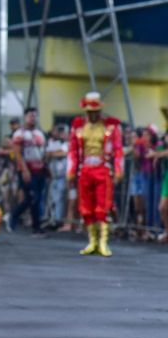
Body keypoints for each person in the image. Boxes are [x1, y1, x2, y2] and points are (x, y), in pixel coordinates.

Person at [67, 92, 123, 256]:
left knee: (102, 206)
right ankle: (92, 241)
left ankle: (103, 242)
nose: (93, 114)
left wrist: (118, 169)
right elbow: (73, 150)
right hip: (85, 170)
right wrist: (71, 170)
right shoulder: (78, 127)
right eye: (90, 111)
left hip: (102, 169)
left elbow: (118, 150)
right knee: (86, 207)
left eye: (96, 111)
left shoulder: (110, 127)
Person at [10, 107, 47, 235]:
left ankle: (19, 218)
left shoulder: (39, 133)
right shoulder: (19, 134)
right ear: (25, 117)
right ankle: (34, 226)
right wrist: (25, 170)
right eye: (31, 116)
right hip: (27, 170)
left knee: (36, 198)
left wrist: (46, 168)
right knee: (33, 197)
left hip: (40, 170)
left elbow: (42, 153)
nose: (33, 118)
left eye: (35, 116)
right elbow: (17, 153)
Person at [46, 124, 70, 230]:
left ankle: (58, 220)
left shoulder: (69, 144)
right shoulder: (54, 143)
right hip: (53, 176)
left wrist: (53, 153)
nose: (62, 134)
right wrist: (53, 153)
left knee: (60, 199)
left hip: (63, 176)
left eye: (64, 132)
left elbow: (62, 153)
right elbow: (47, 154)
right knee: (52, 199)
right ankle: (52, 219)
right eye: (60, 132)